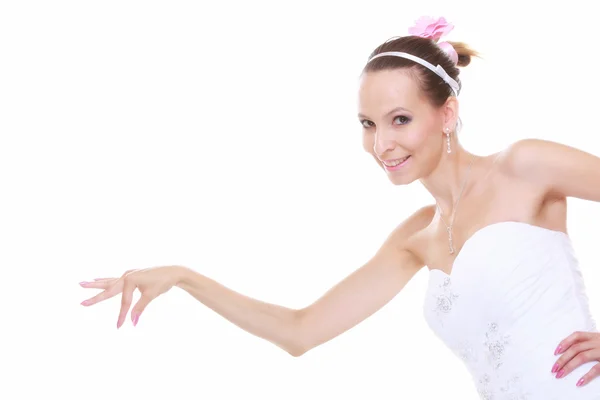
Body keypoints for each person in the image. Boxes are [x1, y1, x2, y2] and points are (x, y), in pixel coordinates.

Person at [80, 16, 600, 399]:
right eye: (368, 124)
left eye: (400, 119)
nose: (382, 145)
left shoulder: (525, 166)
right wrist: (185, 277)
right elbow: (300, 331)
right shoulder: (415, 237)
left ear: (447, 113)